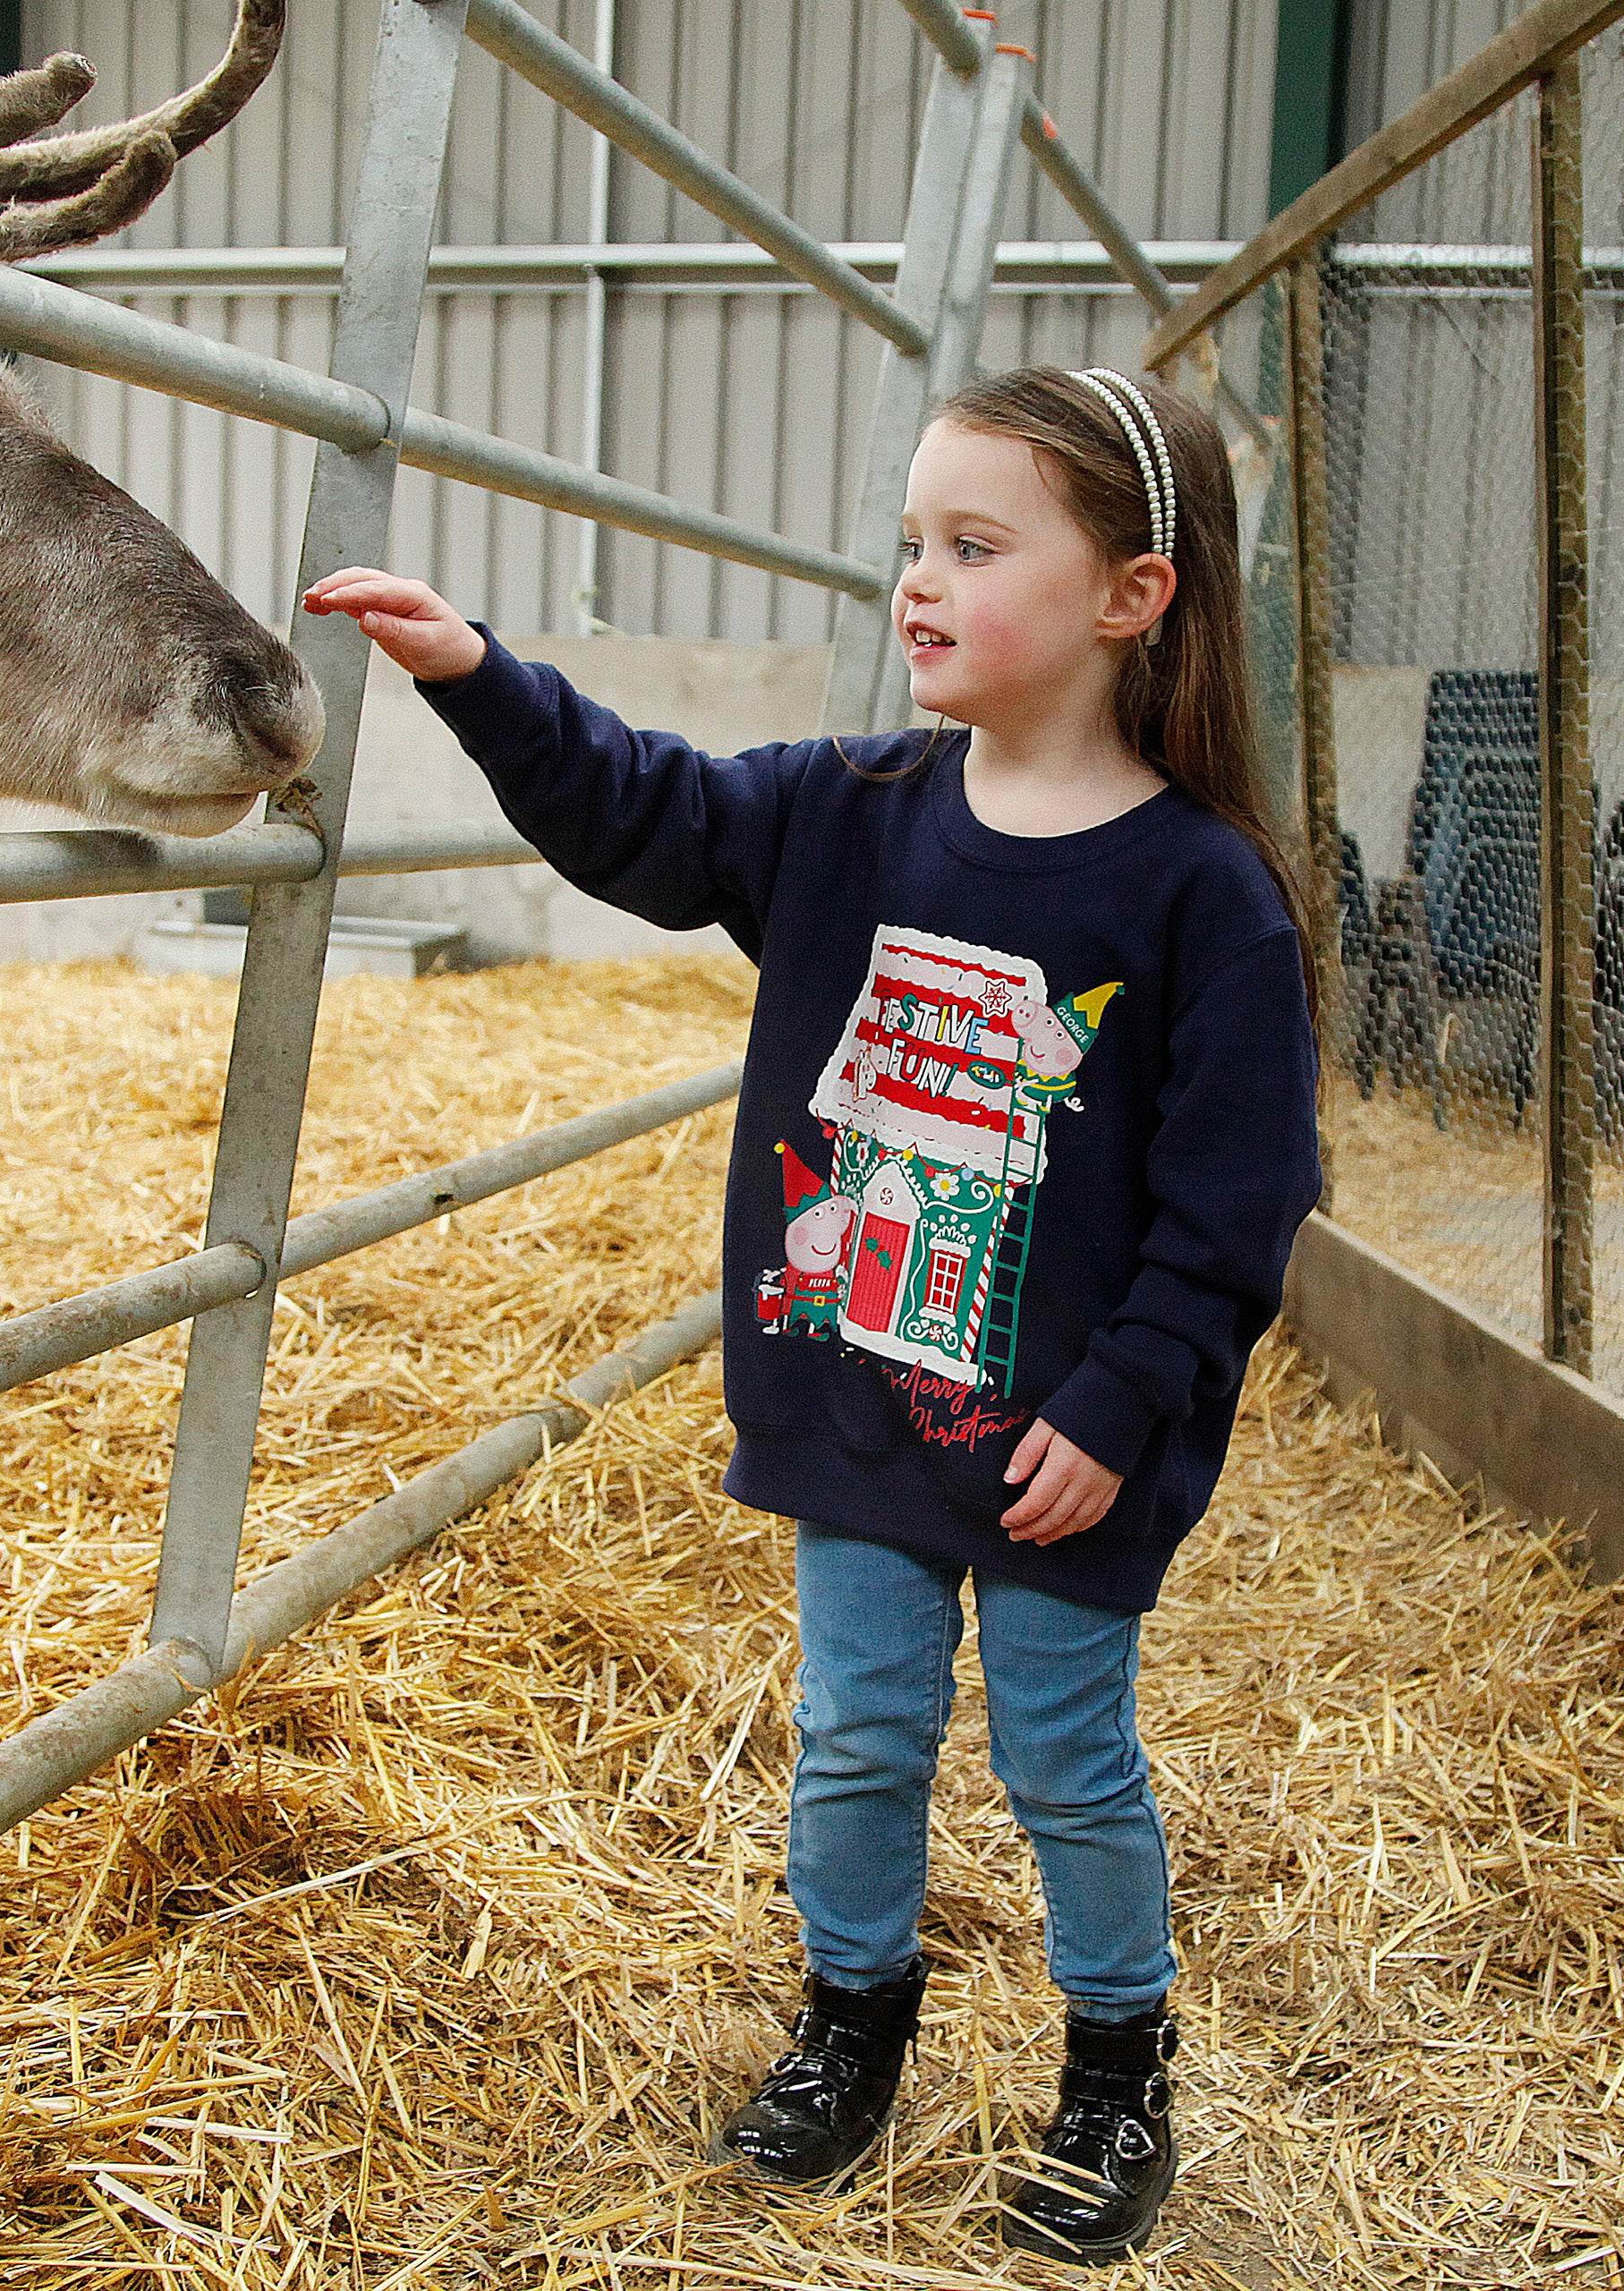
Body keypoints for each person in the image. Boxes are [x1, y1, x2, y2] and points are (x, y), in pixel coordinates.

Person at [303, 365, 1322, 2267]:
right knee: (858, 1729)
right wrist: (474, 671)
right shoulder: (844, 816)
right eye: (907, 544)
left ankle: (1116, 2067)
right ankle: (849, 2021)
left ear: (1130, 596)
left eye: (971, 544)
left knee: (1058, 1752)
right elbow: (640, 812)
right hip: (866, 1396)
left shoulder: (1204, 897)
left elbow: (1239, 1201)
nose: (915, 581)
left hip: (1059, 1443)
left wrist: (1116, 1401)